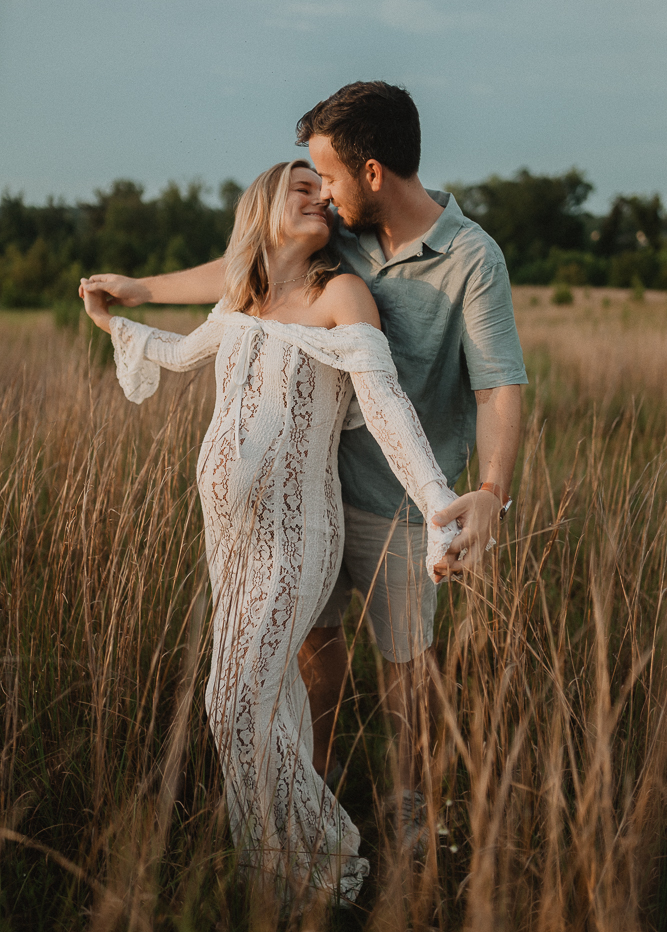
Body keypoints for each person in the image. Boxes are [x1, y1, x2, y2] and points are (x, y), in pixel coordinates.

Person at [80, 80, 527, 850]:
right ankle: (311, 786)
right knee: (313, 652)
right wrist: (141, 291)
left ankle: (406, 803)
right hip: (307, 497)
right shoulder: (339, 229)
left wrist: (487, 490)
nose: (320, 189)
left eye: (327, 174)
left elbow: (496, 387)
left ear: (371, 172)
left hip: (396, 501)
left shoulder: (469, 258)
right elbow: (246, 270)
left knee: (403, 663)